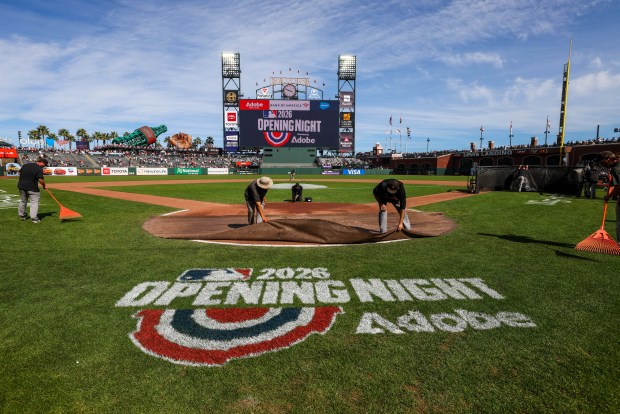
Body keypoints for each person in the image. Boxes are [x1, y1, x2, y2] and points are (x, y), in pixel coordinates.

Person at [18, 157, 48, 223]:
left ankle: (22, 216)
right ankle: (34, 218)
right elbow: (40, 180)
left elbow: (19, 172)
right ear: (41, 162)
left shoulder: (26, 165)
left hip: (21, 186)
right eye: (44, 165)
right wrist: (44, 185)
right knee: (34, 202)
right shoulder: (39, 169)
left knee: (23, 201)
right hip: (32, 188)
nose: (44, 166)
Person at [601, 151, 620, 243]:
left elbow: (619, 187)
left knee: (619, 224)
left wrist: (608, 196)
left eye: (603, 162)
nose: (604, 165)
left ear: (608, 158)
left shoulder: (616, 169)